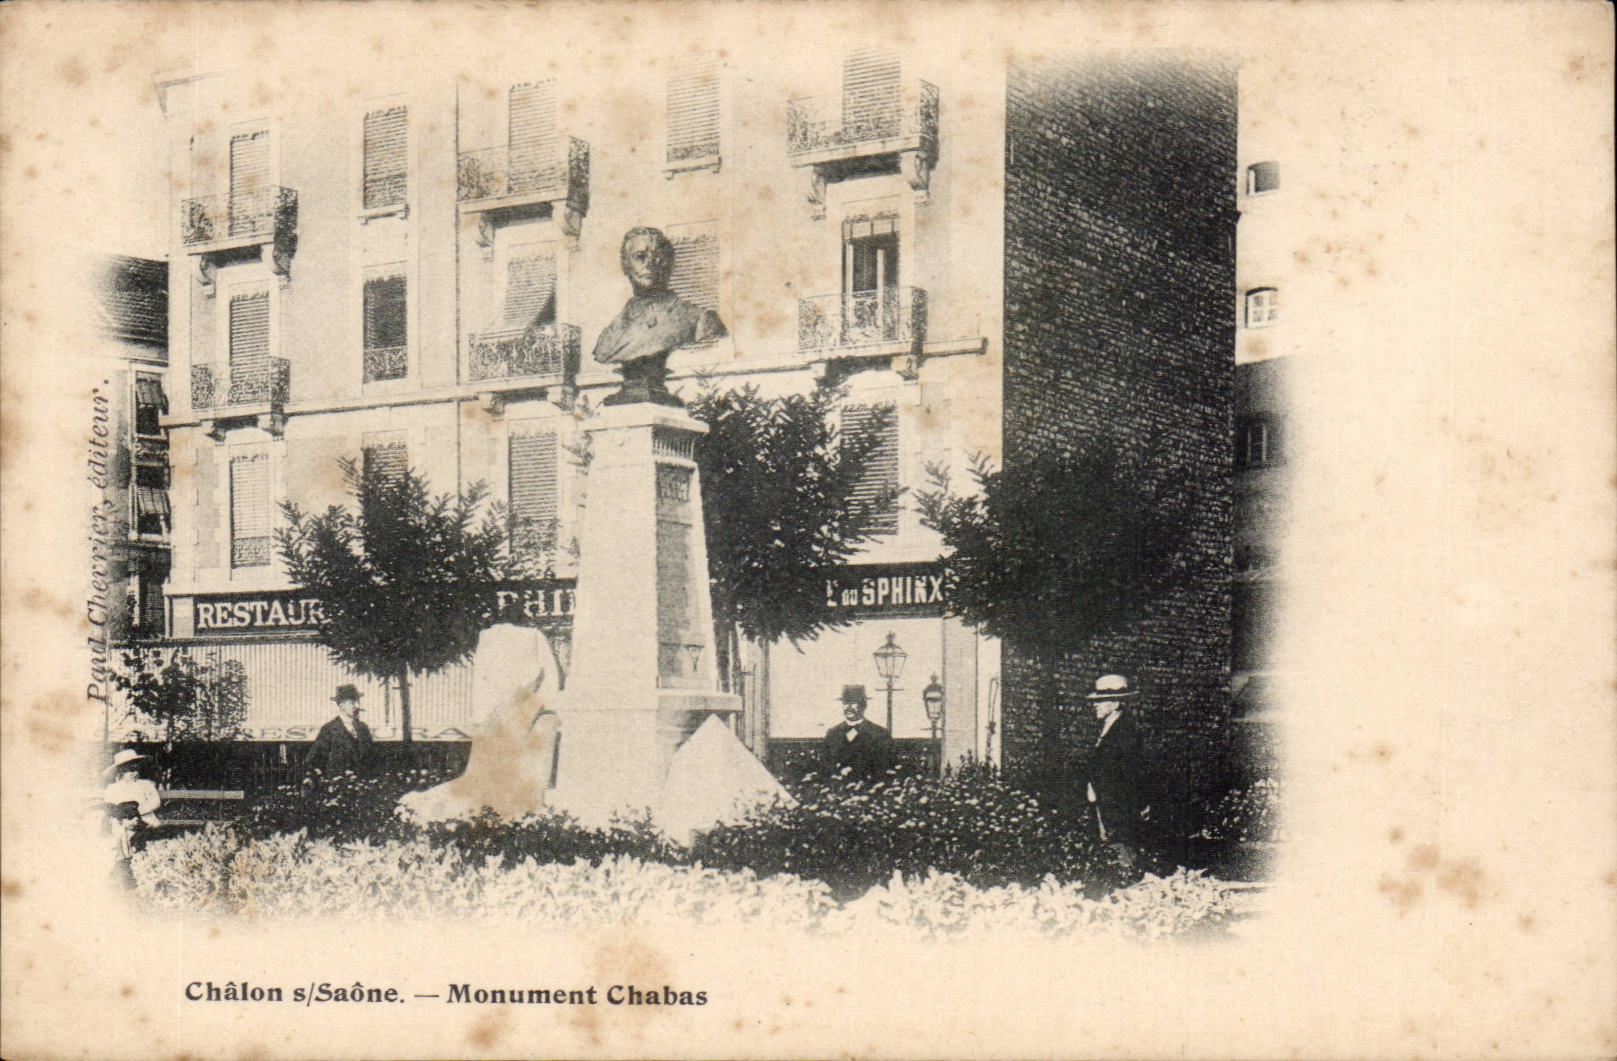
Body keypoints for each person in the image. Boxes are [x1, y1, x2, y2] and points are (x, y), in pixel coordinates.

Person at [591, 227, 727, 406]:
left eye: (657, 257)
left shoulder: (699, 319)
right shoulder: (610, 334)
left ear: (668, 264)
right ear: (625, 266)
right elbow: (602, 353)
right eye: (640, 257)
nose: (650, 264)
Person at [1083, 673, 1145, 869]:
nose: (1095, 705)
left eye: (1101, 701)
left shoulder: (1125, 732)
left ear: (1116, 704)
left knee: (1121, 854)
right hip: (1105, 803)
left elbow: (1129, 773)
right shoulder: (1108, 728)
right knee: (1109, 852)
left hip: (1117, 807)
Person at [102, 748, 161, 890]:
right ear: (122, 771)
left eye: (136, 769)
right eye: (130, 770)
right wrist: (126, 818)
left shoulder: (146, 785)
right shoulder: (114, 788)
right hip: (123, 824)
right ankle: (126, 878)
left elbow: (155, 801)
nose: (134, 773)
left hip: (145, 820)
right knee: (120, 842)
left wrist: (137, 812)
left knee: (148, 840)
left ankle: (146, 874)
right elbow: (111, 808)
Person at [822, 685, 892, 783]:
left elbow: (883, 768)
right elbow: (825, 766)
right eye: (846, 703)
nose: (849, 707)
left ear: (863, 705)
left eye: (853, 703)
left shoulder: (879, 733)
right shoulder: (833, 733)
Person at [304, 683, 374, 779]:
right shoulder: (330, 729)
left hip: (363, 784)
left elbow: (372, 757)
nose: (357, 706)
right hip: (338, 785)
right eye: (352, 703)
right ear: (341, 706)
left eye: (357, 702)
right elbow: (314, 759)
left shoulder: (363, 728)